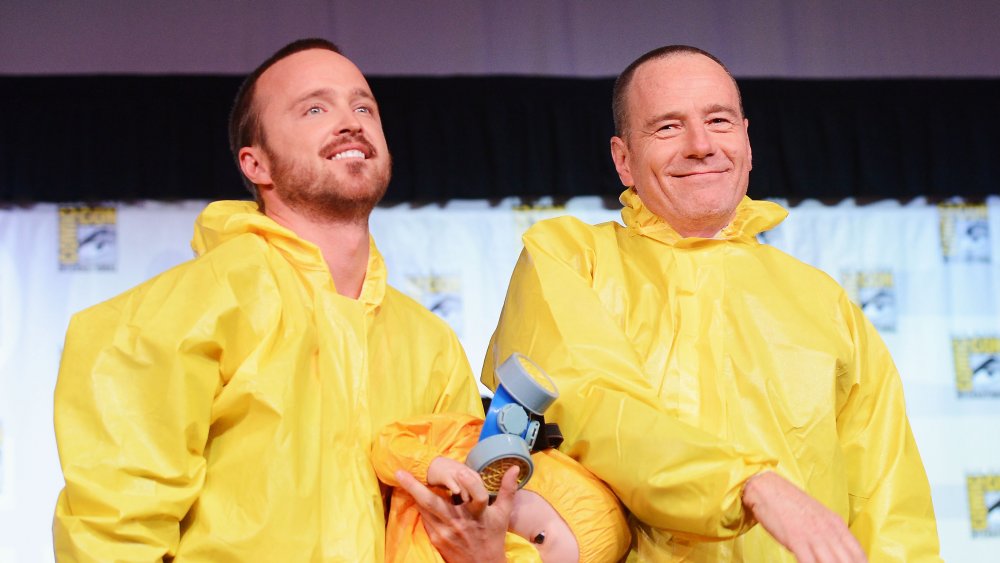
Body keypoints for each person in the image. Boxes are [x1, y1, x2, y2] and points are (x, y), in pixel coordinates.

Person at [481, 45, 941, 562]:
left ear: (746, 141)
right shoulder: (567, 259)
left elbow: (889, 501)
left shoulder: (822, 301)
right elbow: (595, 407)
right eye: (668, 127)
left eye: (718, 120)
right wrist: (748, 485)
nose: (700, 145)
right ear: (624, 159)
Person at [52, 38, 486, 561]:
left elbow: (468, 525)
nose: (350, 121)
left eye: (364, 106)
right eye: (314, 108)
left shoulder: (431, 342)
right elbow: (114, 536)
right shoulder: (186, 310)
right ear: (257, 165)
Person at [371, 412, 631, 562]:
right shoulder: (466, 443)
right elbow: (387, 443)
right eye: (539, 539)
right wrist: (432, 465)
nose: (526, 557)